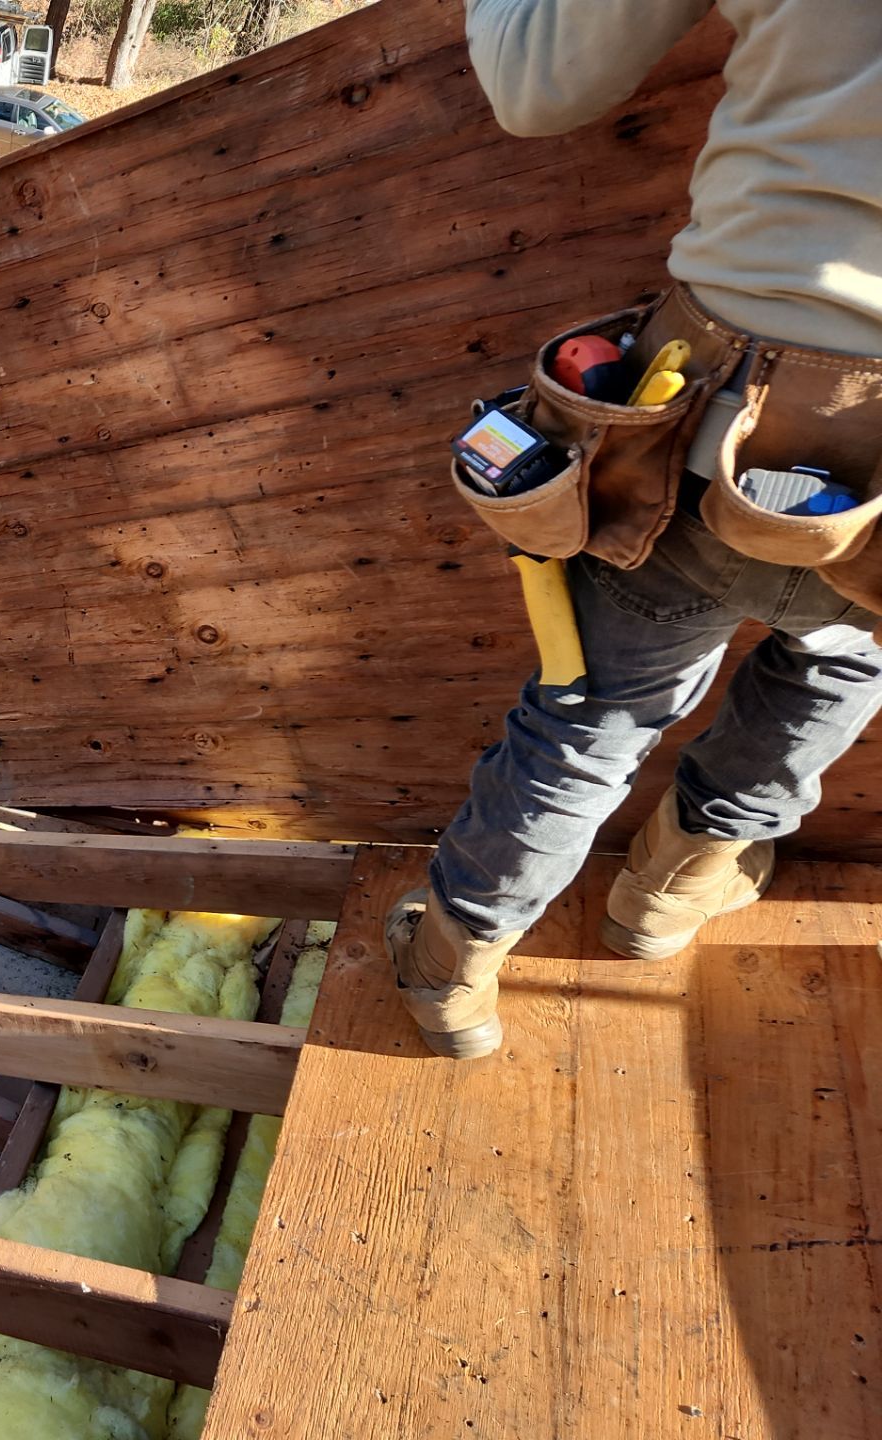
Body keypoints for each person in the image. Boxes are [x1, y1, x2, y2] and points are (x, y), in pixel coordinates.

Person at [388, 0, 882, 1059]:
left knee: (597, 711)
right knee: (842, 658)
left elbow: (535, 83)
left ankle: (451, 969)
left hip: (707, 415)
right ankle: (671, 890)